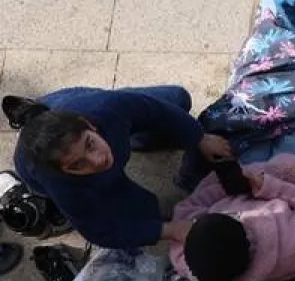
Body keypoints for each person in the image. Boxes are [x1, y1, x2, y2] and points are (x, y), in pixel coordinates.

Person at [3, 87, 233, 250]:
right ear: (64, 171)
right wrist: (168, 231)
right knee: (140, 212)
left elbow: (156, 109)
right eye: (78, 164)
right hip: (41, 166)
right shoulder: (62, 184)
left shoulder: (106, 107)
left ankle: (139, 139)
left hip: (67, 103)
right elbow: (99, 231)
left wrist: (199, 137)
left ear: (90, 125)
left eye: (90, 144)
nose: (98, 160)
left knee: (178, 98)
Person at [168, 154, 295, 281]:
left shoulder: (203, 271)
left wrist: (226, 186)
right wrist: (269, 186)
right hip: (291, 183)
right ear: (240, 221)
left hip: (248, 183)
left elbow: (181, 225)